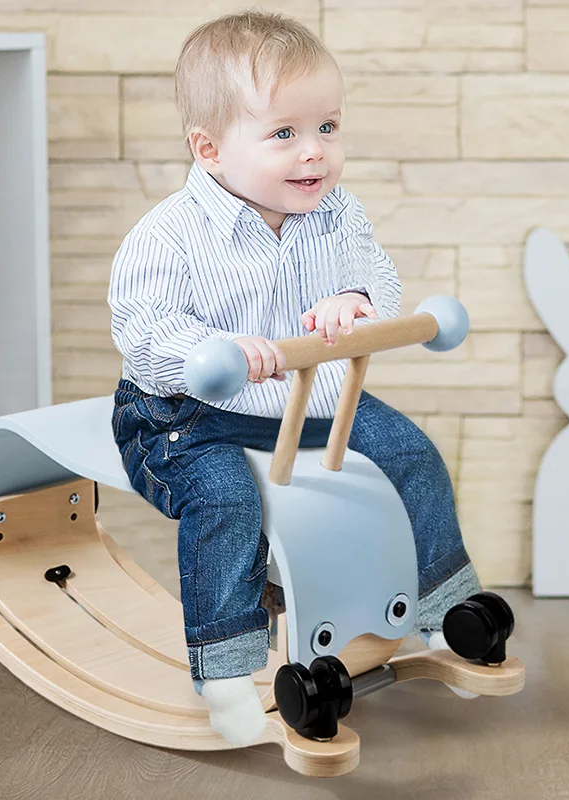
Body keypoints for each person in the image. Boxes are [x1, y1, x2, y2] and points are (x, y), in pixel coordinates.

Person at [108, 9, 482, 746]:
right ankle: (223, 669)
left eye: (328, 128)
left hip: (310, 402)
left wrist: (359, 302)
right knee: (227, 502)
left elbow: (376, 274)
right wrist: (215, 350)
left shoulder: (337, 214)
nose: (315, 153)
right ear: (209, 148)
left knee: (411, 453)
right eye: (284, 133)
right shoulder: (169, 235)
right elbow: (144, 329)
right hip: (189, 413)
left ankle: (450, 607)